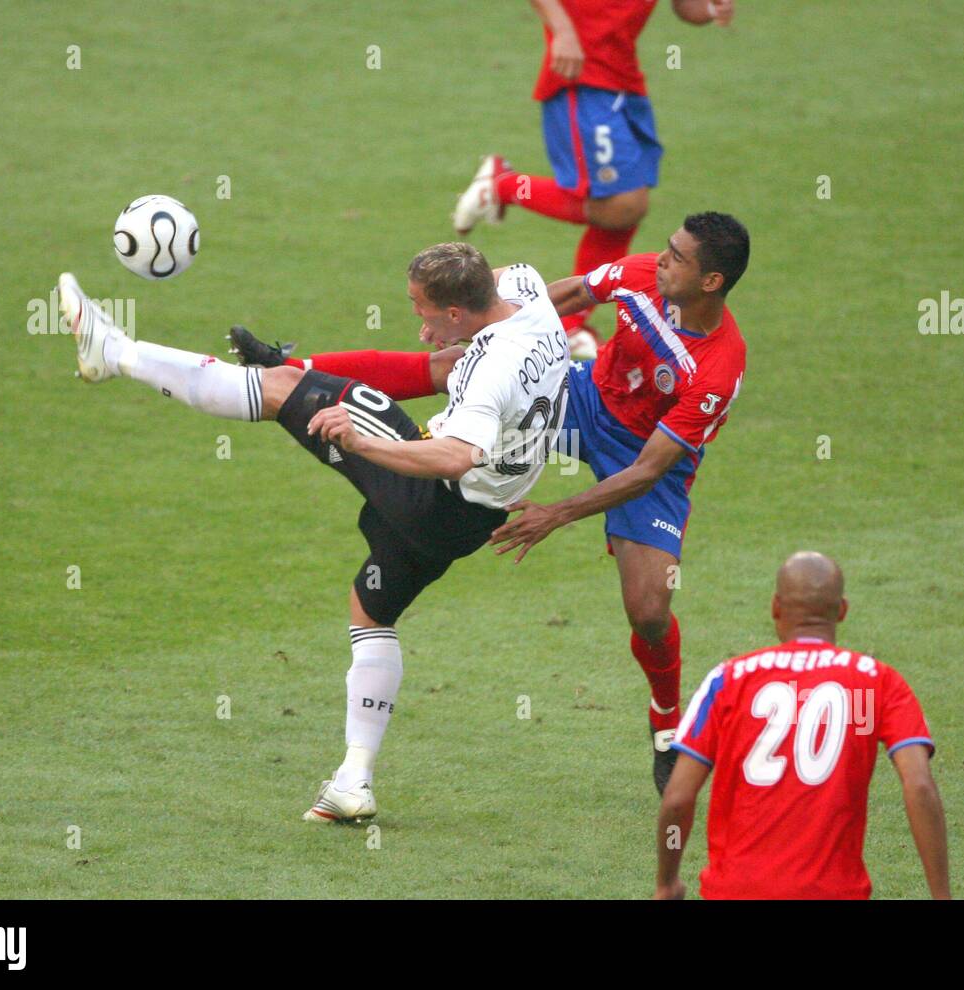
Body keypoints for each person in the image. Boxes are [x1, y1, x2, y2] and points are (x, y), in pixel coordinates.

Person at [232, 211, 750, 796]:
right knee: (454, 366)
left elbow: (648, 468)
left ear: (711, 282)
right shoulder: (640, 277)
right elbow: (567, 296)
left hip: (641, 456)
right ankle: (292, 368)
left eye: (678, 259)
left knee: (650, 611)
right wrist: (494, 337)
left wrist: (557, 513)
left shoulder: (718, 369)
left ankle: (664, 722)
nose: (661, 260)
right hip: (578, 399)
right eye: (666, 248)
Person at [56, 243, 569, 823]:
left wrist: (361, 442)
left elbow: (454, 455)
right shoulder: (526, 290)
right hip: (473, 520)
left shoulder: (492, 367)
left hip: (435, 491)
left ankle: (117, 354)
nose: (418, 322)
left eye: (423, 310)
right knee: (371, 610)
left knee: (278, 391)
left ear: (456, 313)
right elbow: (495, 291)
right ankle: (353, 780)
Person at [654, 552, 951, 900]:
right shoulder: (878, 682)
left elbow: (677, 799)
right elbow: (919, 786)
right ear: (841, 611)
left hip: (736, 891)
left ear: (776, 607)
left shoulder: (729, 679)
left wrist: (667, 883)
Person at [452, 0, 734, 358]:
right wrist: (564, 32)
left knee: (625, 211)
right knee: (621, 204)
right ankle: (503, 186)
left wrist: (711, 9)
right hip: (580, 74)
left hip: (625, 82)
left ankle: (571, 325)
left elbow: (686, 7)